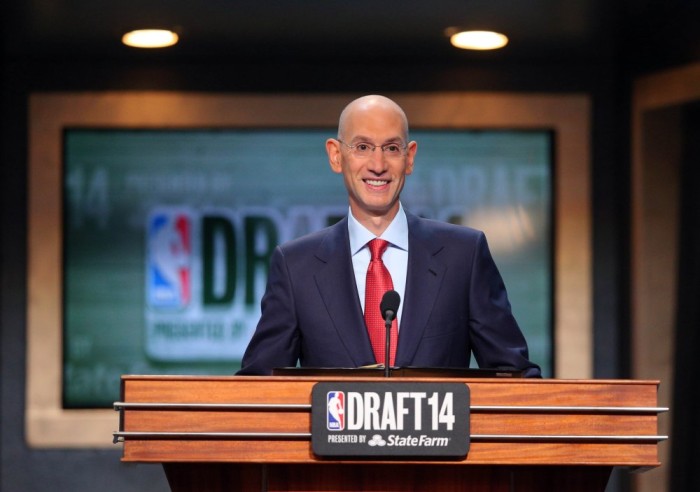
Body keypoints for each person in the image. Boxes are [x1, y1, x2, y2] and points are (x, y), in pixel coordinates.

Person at [237, 95, 541, 377]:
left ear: (409, 158)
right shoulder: (296, 267)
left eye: (391, 148)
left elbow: (513, 378)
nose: (378, 165)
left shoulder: (464, 255)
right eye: (363, 147)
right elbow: (259, 387)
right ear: (335, 155)